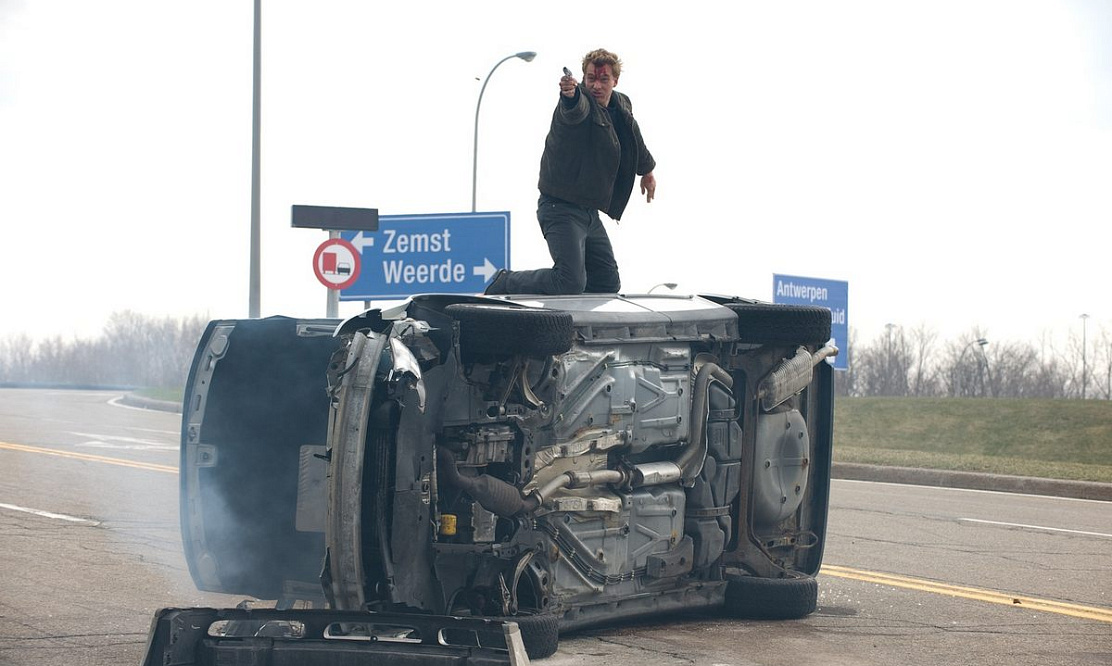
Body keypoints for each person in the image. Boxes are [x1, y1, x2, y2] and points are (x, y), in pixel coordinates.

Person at [484, 48, 656, 295]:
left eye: (603, 79)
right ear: (583, 79)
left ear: (615, 81)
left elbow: (632, 138)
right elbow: (575, 109)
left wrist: (647, 170)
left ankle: (578, 325)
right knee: (570, 281)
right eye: (591, 79)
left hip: (589, 213)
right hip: (560, 209)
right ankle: (504, 281)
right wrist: (570, 94)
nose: (596, 85)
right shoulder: (580, 103)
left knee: (607, 283)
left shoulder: (621, 105)